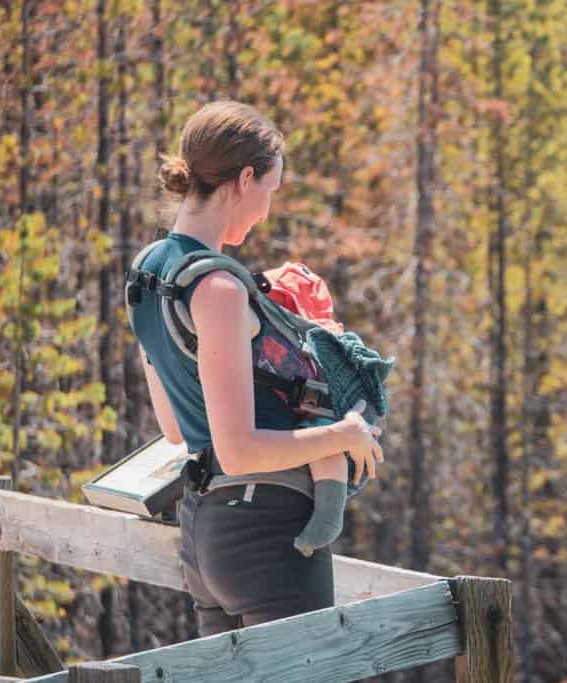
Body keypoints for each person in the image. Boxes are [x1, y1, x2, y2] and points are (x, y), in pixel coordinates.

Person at [130, 99, 384, 636]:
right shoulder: (218, 288)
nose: (267, 211)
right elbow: (240, 450)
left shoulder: (147, 273)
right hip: (267, 535)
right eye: (269, 191)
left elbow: (176, 427)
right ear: (245, 178)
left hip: (206, 535)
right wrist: (345, 433)